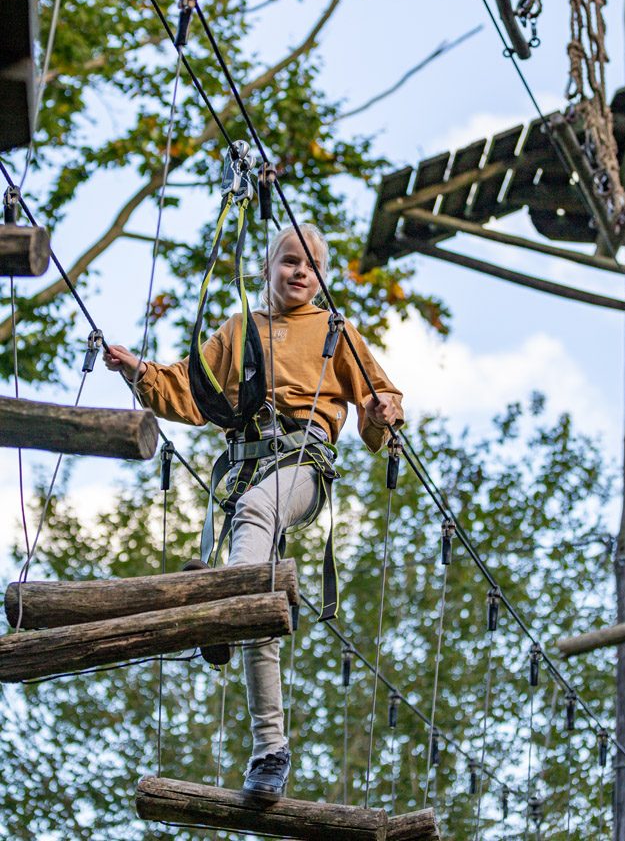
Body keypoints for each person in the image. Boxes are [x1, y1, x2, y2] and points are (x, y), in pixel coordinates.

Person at [103, 223, 403, 800]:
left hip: (302, 466)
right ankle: (269, 750)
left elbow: (378, 397)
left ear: (321, 278)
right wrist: (139, 371)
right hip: (249, 464)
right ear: (267, 269)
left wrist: (381, 412)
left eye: (311, 266)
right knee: (260, 600)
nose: (300, 272)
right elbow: (191, 391)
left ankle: (226, 599)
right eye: (289, 261)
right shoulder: (241, 329)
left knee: (255, 510)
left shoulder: (335, 330)